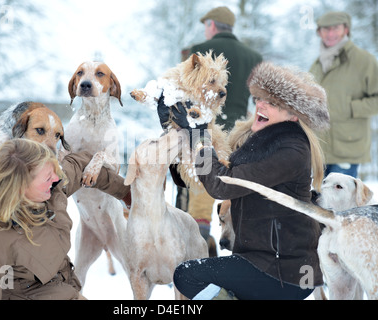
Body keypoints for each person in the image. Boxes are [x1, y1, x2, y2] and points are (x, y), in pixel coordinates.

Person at [160, 62, 329, 300]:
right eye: (260, 98)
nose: (261, 104)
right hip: (261, 261)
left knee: (187, 275)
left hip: (285, 272)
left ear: (293, 115)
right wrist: (179, 134)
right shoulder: (258, 140)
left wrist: (198, 137)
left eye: (272, 103)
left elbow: (221, 183)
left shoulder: (290, 151)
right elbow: (214, 167)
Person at [0, 138, 130, 300]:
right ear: (19, 186)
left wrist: (126, 194)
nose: (56, 179)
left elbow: (82, 165)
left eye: (54, 172)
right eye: (49, 177)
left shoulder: (52, 190)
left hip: (65, 291)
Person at [181, 6, 263, 252]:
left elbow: (186, 92)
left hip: (205, 132)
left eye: (206, 25)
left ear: (212, 25)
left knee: (201, 187)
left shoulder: (197, 53)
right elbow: (257, 99)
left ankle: (197, 246)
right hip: (238, 135)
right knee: (233, 186)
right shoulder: (253, 57)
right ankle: (237, 242)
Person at [309, 11, 378, 178]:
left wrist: (348, 108)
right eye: (325, 29)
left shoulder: (364, 60)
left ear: (346, 30)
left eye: (336, 28)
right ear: (319, 32)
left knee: (340, 202)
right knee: (319, 201)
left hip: (347, 147)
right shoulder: (317, 64)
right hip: (320, 148)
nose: (330, 34)